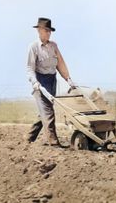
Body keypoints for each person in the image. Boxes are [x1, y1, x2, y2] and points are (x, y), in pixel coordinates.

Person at [26, 17, 76, 146]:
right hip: (40, 82)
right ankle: (53, 143)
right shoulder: (33, 47)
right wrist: (35, 83)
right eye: (46, 30)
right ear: (39, 30)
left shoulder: (53, 46)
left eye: (50, 31)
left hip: (52, 81)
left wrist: (68, 79)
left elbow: (60, 63)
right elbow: (30, 68)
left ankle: (29, 138)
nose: (49, 33)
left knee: (44, 112)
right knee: (48, 112)